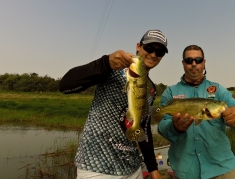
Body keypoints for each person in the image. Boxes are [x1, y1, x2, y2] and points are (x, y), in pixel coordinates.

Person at [59, 29, 169, 179]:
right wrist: (105, 63)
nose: (153, 54)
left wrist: (152, 168)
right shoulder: (113, 68)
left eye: (160, 52)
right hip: (96, 167)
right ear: (138, 46)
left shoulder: (151, 88)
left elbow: (143, 128)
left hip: (133, 168)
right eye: (149, 48)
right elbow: (65, 85)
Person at [157, 45, 235, 179]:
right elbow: (162, 126)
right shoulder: (170, 92)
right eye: (189, 60)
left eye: (198, 59)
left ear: (204, 62)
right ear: (183, 63)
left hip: (222, 168)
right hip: (186, 172)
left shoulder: (218, 89)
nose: (194, 64)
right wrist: (174, 128)